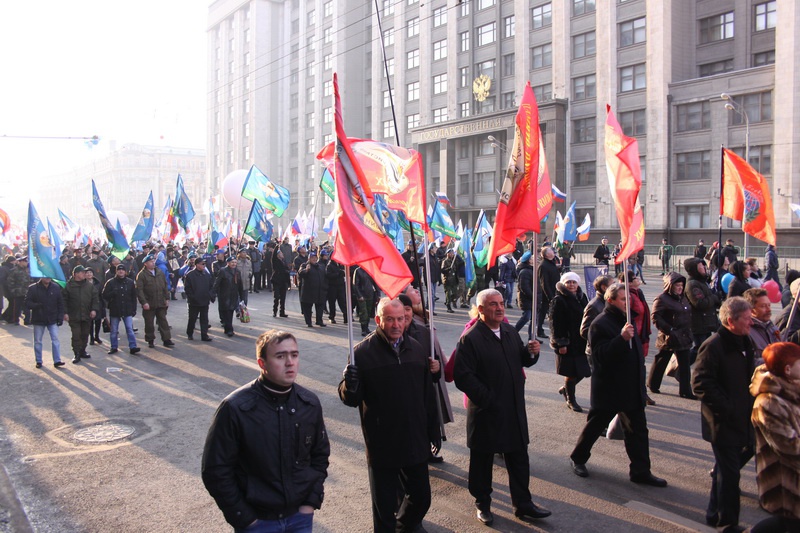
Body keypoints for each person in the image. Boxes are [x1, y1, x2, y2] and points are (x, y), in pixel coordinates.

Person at [202, 330, 330, 532]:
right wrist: (244, 518)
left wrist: (310, 502)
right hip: (258, 521)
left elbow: (319, 456)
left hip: (299, 517)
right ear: (262, 363)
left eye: (294, 355)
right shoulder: (236, 408)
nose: (290, 362)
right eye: (280, 356)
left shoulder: (309, 403)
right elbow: (216, 470)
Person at [338, 298, 439, 533]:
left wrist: (433, 431)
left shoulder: (416, 348)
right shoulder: (361, 353)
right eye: (390, 319)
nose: (396, 324)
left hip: (414, 438)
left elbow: (427, 395)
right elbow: (350, 399)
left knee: (421, 498)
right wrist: (349, 384)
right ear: (378, 320)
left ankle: (402, 527)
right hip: (383, 443)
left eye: (400, 319)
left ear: (406, 319)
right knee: (384, 511)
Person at [453, 289, 551, 525]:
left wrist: (531, 354)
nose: (499, 308)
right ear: (480, 310)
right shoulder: (471, 338)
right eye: (492, 305)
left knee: (518, 458)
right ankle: (483, 504)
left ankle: (523, 504)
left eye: (501, 304)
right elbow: (463, 377)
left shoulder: (508, 331)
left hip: (513, 408)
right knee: (482, 462)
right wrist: (489, 399)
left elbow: (520, 361)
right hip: (487, 412)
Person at [569, 283, 668, 488]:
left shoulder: (628, 319)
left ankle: (641, 471)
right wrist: (621, 339)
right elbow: (599, 356)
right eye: (623, 299)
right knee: (595, 426)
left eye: (629, 299)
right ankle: (578, 457)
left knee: (638, 431)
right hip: (610, 389)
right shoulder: (600, 323)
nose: (627, 302)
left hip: (631, 388)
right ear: (610, 300)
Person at [692, 296, 756, 533]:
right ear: (731, 321)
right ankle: (727, 522)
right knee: (730, 475)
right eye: (747, 319)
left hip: (742, 418)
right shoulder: (714, 345)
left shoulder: (744, 341)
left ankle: (713, 513)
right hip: (722, 421)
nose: (751, 323)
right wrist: (727, 408)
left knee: (725, 470)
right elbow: (700, 383)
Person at [749, 343, 800, 533]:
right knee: (788, 523)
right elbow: (788, 446)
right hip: (785, 480)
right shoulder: (770, 402)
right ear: (787, 370)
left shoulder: (793, 391)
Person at [648, 272, 695, 399]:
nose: (680, 288)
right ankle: (653, 384)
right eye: (677, 285)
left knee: (684, 364)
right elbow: (656, 317)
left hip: (683, 335)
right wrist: (670, 330)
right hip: (669, 336)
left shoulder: (682, 298)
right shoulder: (662, 299)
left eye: (681, 285)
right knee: (662, 360)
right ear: (670, 286)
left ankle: (685, 390)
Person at [549, 272, 590, 412]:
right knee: (571, 372)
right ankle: (571, 399)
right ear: (564, 284)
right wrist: (560, 343)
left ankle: (565, 389)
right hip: (568, 342)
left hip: (582, 341)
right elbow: (555, 324)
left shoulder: (581, 296)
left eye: (574, 282)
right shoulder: (559, 300)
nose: (571, 285)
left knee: (585, 370)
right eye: (568, 282)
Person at [684, 258, 722, 365]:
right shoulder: (692, 284)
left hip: (708, 322)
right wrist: (714, 298)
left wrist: (717, 299)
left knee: (705, 349)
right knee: (700, 350)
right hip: (699, 322)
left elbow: (710, 300)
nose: (704, 268)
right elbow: (700, 303)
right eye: (701, 267)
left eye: (704, 266)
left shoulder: (703, 282)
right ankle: (682, 367)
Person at [25, 276, 66, 368]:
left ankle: (57, 360)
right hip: (39, 319)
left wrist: (60, 317)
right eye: (45, 276)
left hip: (52, 318)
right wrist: (37, 306)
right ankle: (39, 361)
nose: (48, 278)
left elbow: (60, 303)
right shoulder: (33, 288)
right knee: (38, 341)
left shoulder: (55, 287)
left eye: (49, 277)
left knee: (55, 340)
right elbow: (27, 303)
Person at [136, 254, 174, 348]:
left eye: (153, 261)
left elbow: (165, 285)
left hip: (161, 301)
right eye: (150, 261)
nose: (153, 263)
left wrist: (167, 298)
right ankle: (150, 340)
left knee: (163, 321)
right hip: (149, 302)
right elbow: (139, 290)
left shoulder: (159, 272)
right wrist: (144, 302)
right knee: (149, 323)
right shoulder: (142, 275)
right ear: (145, 263)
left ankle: (166, 339)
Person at [63, 265, 99, 364]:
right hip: (74, 315)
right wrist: (65, 313)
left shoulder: (89, 285)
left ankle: (83, 350)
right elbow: (64, 300)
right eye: (82, 272)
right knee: (76, 335)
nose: (85, 274)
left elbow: (95, 298)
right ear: (75, 274)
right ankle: (76, 353)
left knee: (85, 334)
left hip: (87, 315)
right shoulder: (69, 286)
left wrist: (94, 309)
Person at [102, 264, 140, 355]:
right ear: (116, 271)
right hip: (115, 309)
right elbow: (104, 295)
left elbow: (133, 297)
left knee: (129, 329)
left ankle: (133, 347)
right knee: (114, 330)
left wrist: (134, 309)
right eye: (119, 270)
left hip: (127, 309)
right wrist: (112, 293)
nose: (121, 271)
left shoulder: (130, 282)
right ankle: (113, 347)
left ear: (125, 272)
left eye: (122, 270)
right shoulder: (110, 282)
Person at [744, 288, 780, 366]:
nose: (768, 309)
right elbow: (748, 362)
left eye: (769, 305)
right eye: (763, 306)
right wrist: (773, 360)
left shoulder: (773, 328)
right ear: (752, 310)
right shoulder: (746, 332)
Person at [183, 257, 214, 342]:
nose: (204, 265)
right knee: (192, 319)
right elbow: (187, 289)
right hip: (194, 302)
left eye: (204, 264)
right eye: (202, 264)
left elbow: (211, 287)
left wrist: (210, 296)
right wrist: (192, 297)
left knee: (204, 319)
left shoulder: (206, 275)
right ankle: (190, 333)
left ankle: (204, 335)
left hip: (204, 301)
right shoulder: (190, 275)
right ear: (197, 265)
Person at [213, 256, 244, 337]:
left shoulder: (237, 271)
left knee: (230, 312)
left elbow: (240, 285)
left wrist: (242, 297)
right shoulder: (223, 271)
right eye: (232, 262)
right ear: (228, 263)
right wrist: (213, 293)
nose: (234, 264)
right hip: (224, 295)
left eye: (235, 262)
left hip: (233, 295)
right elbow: (217, 283)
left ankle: (228, 329)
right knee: (227, 312)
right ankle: (229, 329)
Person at [297, 251, 328, 328]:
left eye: (315, 258)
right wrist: (306, 270)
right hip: (309, 292)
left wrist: (325, 287)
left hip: (319, 291)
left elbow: (325, 276)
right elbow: (300, 273)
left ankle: (319, 321)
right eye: (312, 258)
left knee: (320, 306)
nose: (314, 259)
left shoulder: (320, 266)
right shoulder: (305, 265)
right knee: (307, 308)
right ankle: (309, 322)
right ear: (309, 259)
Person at [537, 246, 561, 338]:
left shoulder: (551, 263)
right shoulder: (543, 265)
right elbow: (544, 283)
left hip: (554, 291)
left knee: (551, 313)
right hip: (547, 294)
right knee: (543, 313)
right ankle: (539, 330)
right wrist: (550, 296)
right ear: (547, 254)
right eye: (551, 251)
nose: (553, 252)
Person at [2, 256, 30, 325]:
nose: (26, 263)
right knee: (16, 307)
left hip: (26, 291)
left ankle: (27, 320)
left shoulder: (27, 270)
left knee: (26, 306)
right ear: (20, 262)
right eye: (25, 262)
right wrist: (13, 291)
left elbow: (29, 280)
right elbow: (10, 282)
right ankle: (15, 320)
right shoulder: (14, 270)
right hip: (17, 292)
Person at [353, 265, 378, 336]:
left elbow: (375, 282)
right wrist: (359, 295)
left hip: (370, 294)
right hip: (362, 295)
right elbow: (355, 285)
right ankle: (363, 328)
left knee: (369, 311)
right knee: (364, 312)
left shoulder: (370, 270)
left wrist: (378, 294)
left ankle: (366, 327)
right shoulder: (358, 271)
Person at [514, 251, 534, 332]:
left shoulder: (531, 269)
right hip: (526, 298)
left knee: (533, 318)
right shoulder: (525, 271)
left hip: (531, 298)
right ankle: (514, 331)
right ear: (529, 261)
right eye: (532, 258)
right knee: (526, 317)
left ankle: (532, 336)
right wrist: (533, 296)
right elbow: (524, 287)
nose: (533, 259)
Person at [325, 256, 348, 324]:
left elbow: (345, 272)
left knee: (342, 302)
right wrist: (338, 274)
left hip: (340, 286)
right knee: (332, 302)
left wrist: (342, 273)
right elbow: (328, 275)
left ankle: (346, 317)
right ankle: (332, 317)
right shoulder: (329, 265)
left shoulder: (341, 265)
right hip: (332, 286)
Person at [85, 269, 105, 345]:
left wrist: (103, 305)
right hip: (88, 305)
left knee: (98, 321)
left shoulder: (97, 283)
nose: (89, 274)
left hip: (98, 304)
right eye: (87, 273)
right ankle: (92, 337)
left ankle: (97, 336)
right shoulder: (83, 283)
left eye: (90, 272)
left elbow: (101, 294)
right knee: (90, 322)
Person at [271, 249, 290, 318]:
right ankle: (274, 311)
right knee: (276, 297)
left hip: (283, 281)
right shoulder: (276, 261)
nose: (282, 254)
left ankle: (282, 312)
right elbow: (273, 256)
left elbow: (287, 270)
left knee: (283, 298)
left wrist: (289, 283)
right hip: (277, 280)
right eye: (280, 253)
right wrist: (276, 247)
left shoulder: (284, 261)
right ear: (278, 255)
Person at [440, 249, 459, 313]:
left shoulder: (454, 260)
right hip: (447, 280)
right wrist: (448, 269)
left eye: (452, 253)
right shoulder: (445, 261)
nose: (451, 254)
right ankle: (448, 307)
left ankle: (448, 301)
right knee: (448, 294)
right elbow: (442, 270)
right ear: (447, 254)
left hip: (453, 280)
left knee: (455, 293)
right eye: (450, 253)